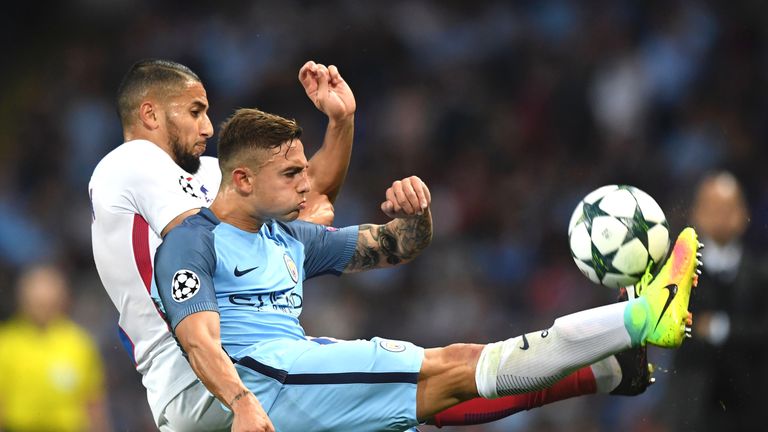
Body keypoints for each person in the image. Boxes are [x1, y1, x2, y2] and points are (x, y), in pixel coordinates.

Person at [152, 108, 703, 431]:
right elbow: (200, 342)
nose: (306, 183)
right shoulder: (191, 242)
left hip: (293, 388)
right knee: (456, 365)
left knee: (441, 399)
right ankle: (641, 318)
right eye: (292, 173)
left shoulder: (290, 237)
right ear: (242, 180)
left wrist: (417, 216)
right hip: (267, 383)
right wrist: (243, 403)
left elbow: (393, 247)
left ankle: (609, 372)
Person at [89, 58, 357, 431]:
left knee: (378, 399)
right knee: (399, 385)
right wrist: (297, 233)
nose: (208, 127)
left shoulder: (212, 173)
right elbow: (218, 247)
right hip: (195, 364)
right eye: (195, 112)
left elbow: (310, 198)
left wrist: (340, 123)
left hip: (230, 358)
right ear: (150, 113)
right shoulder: (131, 161)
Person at [663, 171, 768, 431]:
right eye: (712, 207)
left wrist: (722, 329)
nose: (721, 215)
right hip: (692, 410)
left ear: (744, 214)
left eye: (728, 208)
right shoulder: (676, 275)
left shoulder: (761, 275)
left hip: (750, 410)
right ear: (696, 214)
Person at [0, 264, 111, 432]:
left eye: (48, 301)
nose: (43, 307)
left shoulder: (79, 343)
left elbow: (93, 401)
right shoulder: (7, 342)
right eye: (37, 301)